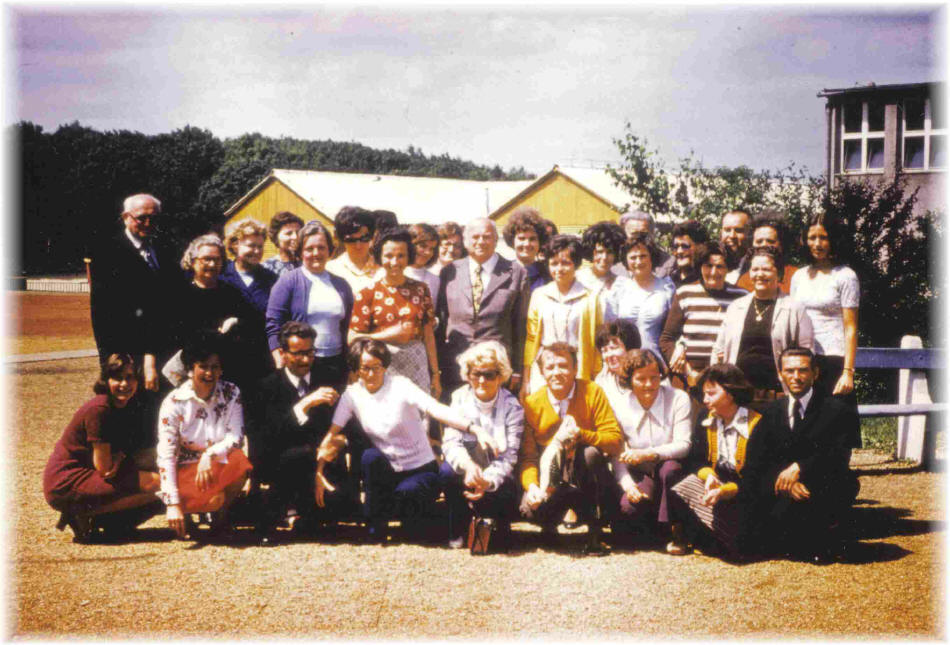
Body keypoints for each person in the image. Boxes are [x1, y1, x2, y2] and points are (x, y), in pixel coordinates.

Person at [315, 339, 493, 544]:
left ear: (385, 366)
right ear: (356, 368)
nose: (371, 374)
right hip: (389, 471)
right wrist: (319, 472)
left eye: (377, 367)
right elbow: (332, 434)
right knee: (370, 457)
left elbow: (436, 409)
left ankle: (443, 521)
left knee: (408, 503)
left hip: (421, 470)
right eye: (365, 368)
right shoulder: (352, 395)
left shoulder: (401, 386)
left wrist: (473, 428)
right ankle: (375, 527)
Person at [742, 348, 860, 563]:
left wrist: (801, 468)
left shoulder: (837, 409)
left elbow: (839, 454)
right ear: (780, 374)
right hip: (781, 486)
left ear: (815, 373)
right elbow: (756, 460)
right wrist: (785, 481)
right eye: (789, 371)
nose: (796, 377)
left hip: (817, 484)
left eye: (803, 370)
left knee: (844, 483)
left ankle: (822, 536)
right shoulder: (771, 412)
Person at [246, 322, 354, 545]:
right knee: (298, 456)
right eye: (298, 354)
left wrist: (334, 446)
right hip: (282, 466)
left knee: (339, 505)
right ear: (283, 354)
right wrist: (303, 405)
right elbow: (265, 440)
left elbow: (344, 427)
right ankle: (281, 513)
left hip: (322, 461)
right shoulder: (266, 386)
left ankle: (305, 514)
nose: (305, 360)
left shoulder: (328, 379)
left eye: (310, 352)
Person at [43, 354, 161, 542]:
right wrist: (119, 459)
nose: (124, 384)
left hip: (89, 471)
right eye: (117, 378)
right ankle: (80, 513)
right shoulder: (100, 409)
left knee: (158, 465)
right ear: (106, 380)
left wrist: (121, 458)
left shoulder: (123, 405)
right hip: (67, 482)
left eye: (130, 377)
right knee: (161, 485)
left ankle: (112, 523)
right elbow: (105, 469)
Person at [519, 342, 623, 555]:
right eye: (550, 367)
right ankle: (549, 526)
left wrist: (582, 435)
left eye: (563, 366)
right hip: (551, 477)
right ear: (542, 372)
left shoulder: (593, 392)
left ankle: (595, 528)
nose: (557, 372)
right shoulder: (532, 404)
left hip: (584, 474)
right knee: (528, 509)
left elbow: (614, 440)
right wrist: (532, 487)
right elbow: (529, 457)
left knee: (590, 454)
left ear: (575, 369)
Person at [157, 333, 254, 540]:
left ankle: (220, 519)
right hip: (185, 469)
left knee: (240, 461)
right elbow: (166, 454)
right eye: (203, 366)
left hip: (214, 462)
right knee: (213, 499)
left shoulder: (231, 392)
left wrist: (209, 455)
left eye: (215, 367)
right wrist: (173, 503)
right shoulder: (174, 402)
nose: (209, 373)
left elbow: (236, 436)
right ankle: (190, 511)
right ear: (190, 369)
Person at [668, 364, 763, 558]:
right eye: (704, 394)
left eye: (711, 394)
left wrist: (724, 491)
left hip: (745, 493)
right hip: (716, 486)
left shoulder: (757, 423)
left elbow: (758, 476)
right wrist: (709, 476)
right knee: (682, 483)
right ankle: (693, 535)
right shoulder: (706, 417)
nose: (705, 400)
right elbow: (696, 460)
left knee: (739, 548)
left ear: (731, 393)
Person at [89, 194, 182, 387]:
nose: (148, 223)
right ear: (126, 217)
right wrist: (108, 359)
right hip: (128, 352)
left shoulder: (166, 247)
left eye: (154, 218)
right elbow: (102, 311)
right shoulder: (107, 252)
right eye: (141, 218)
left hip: (165, 350)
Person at [439, 341, 524, 548]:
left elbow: (510, 456)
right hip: (467, 469)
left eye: (489, 374)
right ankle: (457, 525)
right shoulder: (458, 398)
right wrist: (468, 467)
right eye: (476, 374)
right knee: (447, 472)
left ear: (500, 376)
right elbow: (450, 442)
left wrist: (487, 481)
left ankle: (495, 524)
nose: (482, 380)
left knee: (508, 484)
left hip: (495, 474)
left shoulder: (513, 407)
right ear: (468, 375)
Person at [605, 350, 690, 551]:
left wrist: (648, 453)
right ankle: (656, 526)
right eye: (641, 379)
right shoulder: (619, 405)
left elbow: (684, 445)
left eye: (654, 377)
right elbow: (617, 454)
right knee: (628, 510)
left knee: (669, 469)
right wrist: (628, 486)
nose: (649, 384)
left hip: (671, 469)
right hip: (640, 472)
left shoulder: (678, 398)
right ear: (629, 380)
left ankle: (677, 530)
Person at [713, 247, 814, 411]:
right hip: (738, 398)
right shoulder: (736, 307)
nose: (759, 274)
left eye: (766, 269)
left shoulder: (794, 309)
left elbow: (807, 354)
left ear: (778, 273)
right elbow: (718, 349)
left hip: (777, 398)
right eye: (755, 269)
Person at [436, 217, 529, 397]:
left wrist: (517, 370)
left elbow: (521, 327)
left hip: (497, 369)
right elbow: (442, 321)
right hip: (456, 367)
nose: (480, 241)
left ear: (496, 240)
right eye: (475, 237)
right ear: (465, 241)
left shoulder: (516, 272)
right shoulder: (449, 272)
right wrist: (437, 367)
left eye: (486, 237)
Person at [171, 233, 269, 395]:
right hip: (191, 374)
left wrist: (236, 321)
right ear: (193, 261)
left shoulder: (231, 293)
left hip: (227, 373)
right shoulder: (181, 294)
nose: (212, 264)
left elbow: (253, 323)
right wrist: (217, 335)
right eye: (206, 259)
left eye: (217, 260)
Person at [349, 227, 441, 397]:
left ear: (409, 256)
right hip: (381, 367)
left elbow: (428, 335)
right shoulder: (367, 293)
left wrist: (435, 374)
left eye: (401, 256)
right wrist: (389, 335)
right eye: (388, 256)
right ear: (379, 256)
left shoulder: (421, 289)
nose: (394, 262)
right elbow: (353, 338)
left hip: (417, 366)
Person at [265, 220, 353, 385]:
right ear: (300, 252)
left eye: (321, 247)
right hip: (301, 364)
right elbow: (273, 324)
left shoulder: (341, 285)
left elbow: (348, 327)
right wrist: (280, 359)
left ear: (330, 251)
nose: (316, 253)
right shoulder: (288, 281)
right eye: (309, 249)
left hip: (336, 363)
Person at [789, 211, 860, 413]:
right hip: (804, 359)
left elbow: (851, 328)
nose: (817, 244)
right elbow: (793, 319)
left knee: (835, 423)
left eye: (823, 237)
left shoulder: (846, 276)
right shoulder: (799, 276)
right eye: (812, 238)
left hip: (834, 360)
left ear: (833, 240)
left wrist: (848, 372)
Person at [659, 242, 747, 389]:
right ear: (700, 266)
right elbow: (666, 339)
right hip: (688, 380)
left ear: (728, 268)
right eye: (708, 266)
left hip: (725, 380)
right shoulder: (685, 294)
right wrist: (689, 373)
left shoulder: (741, 297)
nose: (713, 272)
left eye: (720, 266)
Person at [523, 235, 600, 394]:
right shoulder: (539, 295)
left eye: (565, 263)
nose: (559, 269)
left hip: (577, 368)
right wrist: (526, 379)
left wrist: (596, 376)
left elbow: (597, 341)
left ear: (576, 264)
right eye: (554, 263)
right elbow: (531, 338)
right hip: (544, 368)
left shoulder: (590, 297)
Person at [603, 233, 675, 368]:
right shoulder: (618, 289)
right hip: (624, 363)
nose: (638, 262)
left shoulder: (666, 288)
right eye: (633, 257)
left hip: (656, 362)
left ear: (651, 257)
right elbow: (609, 332)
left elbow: (673, 330)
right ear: (626, 260)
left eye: (643, 256)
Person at [220, 218, 278, 315]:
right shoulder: (222, 277)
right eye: (251, 246)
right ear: (235, 246)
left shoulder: (271, 279)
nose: (257, 251)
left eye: (260, 247)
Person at [735, 210, 799, 294]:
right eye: (759, 241)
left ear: (781, 244)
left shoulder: (796, 276)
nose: (764, 245)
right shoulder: (745, 281)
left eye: (770, 241)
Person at [326, 206, 381, 295]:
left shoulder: (383, 270)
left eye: (364, 238)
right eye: (351, 240)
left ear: (372, 236)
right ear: (342, 239)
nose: (358, 246)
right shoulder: (330, 270)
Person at [577, 220, 627, 317]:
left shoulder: (623, 284)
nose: (604, 257)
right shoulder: (577, 280)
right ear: (590, 251)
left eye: (609, 252)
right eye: (599, 252)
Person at [612, 210, 675, 278]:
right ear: (623, 235)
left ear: (652, 234)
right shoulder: (612, 263)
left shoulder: (668, 263)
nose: (639, 238)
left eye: (643, 234)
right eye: (634, 234)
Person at [501, 206, 551, 291]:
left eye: (532, 239)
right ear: (512, 240)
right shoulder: (502, 272)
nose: (527, 244)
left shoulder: (549, 273)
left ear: (540, 241)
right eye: (521, 238)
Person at [593, 320, 642, 397]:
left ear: (630, 348)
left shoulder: (646, 376)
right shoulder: (602, 381)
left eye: (614, 348)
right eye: (604, 351)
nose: (609, 355)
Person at [405, 223, 442, 308]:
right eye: (423, 246)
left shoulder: (434, 280)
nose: (427, 252)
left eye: (431, 249)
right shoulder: (390, 273)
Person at [261, 210, 304, 276]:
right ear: (276, 237)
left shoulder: (307, 264)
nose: (295, 237)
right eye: (288, 233)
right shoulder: (267, 268)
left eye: (298, 232)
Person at [669, 220, 709, 287]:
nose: (679, 251)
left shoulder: (709, 280)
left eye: (685, 246)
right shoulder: (669, 280)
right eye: (676, 247)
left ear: (701, 247)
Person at [720, 208, 752, 284]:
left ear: (750, 234)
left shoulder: (755, 267)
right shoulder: (709, 263)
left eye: (738, 230)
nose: (732, 236)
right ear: (721, 233)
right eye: (727, 230)